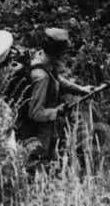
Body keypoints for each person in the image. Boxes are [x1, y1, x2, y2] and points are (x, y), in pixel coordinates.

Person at [20, 28, 94, 160]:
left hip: (48, 129)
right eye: (64, 51)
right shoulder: (41, 77)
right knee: (37, 166)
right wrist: (56, 112)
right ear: (59, 52)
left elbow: (57, 80)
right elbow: (35, 113)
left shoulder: (42, 58)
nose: (65, 54)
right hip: (39, 134)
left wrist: (81, 89)